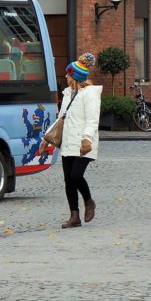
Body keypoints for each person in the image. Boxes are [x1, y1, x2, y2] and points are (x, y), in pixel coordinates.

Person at [40, 53, 102, 229]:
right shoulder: (68, 93)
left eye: (68, 73)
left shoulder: (90, 94)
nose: (65, 76)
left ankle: (89, 201)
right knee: (68, 179)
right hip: (68, 142)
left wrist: (86, 139)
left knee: (76, 175)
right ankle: (74, 215)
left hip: (84, 143)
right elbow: (61, 118)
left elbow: (92, 120)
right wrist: (47, 138)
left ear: (74, 75)